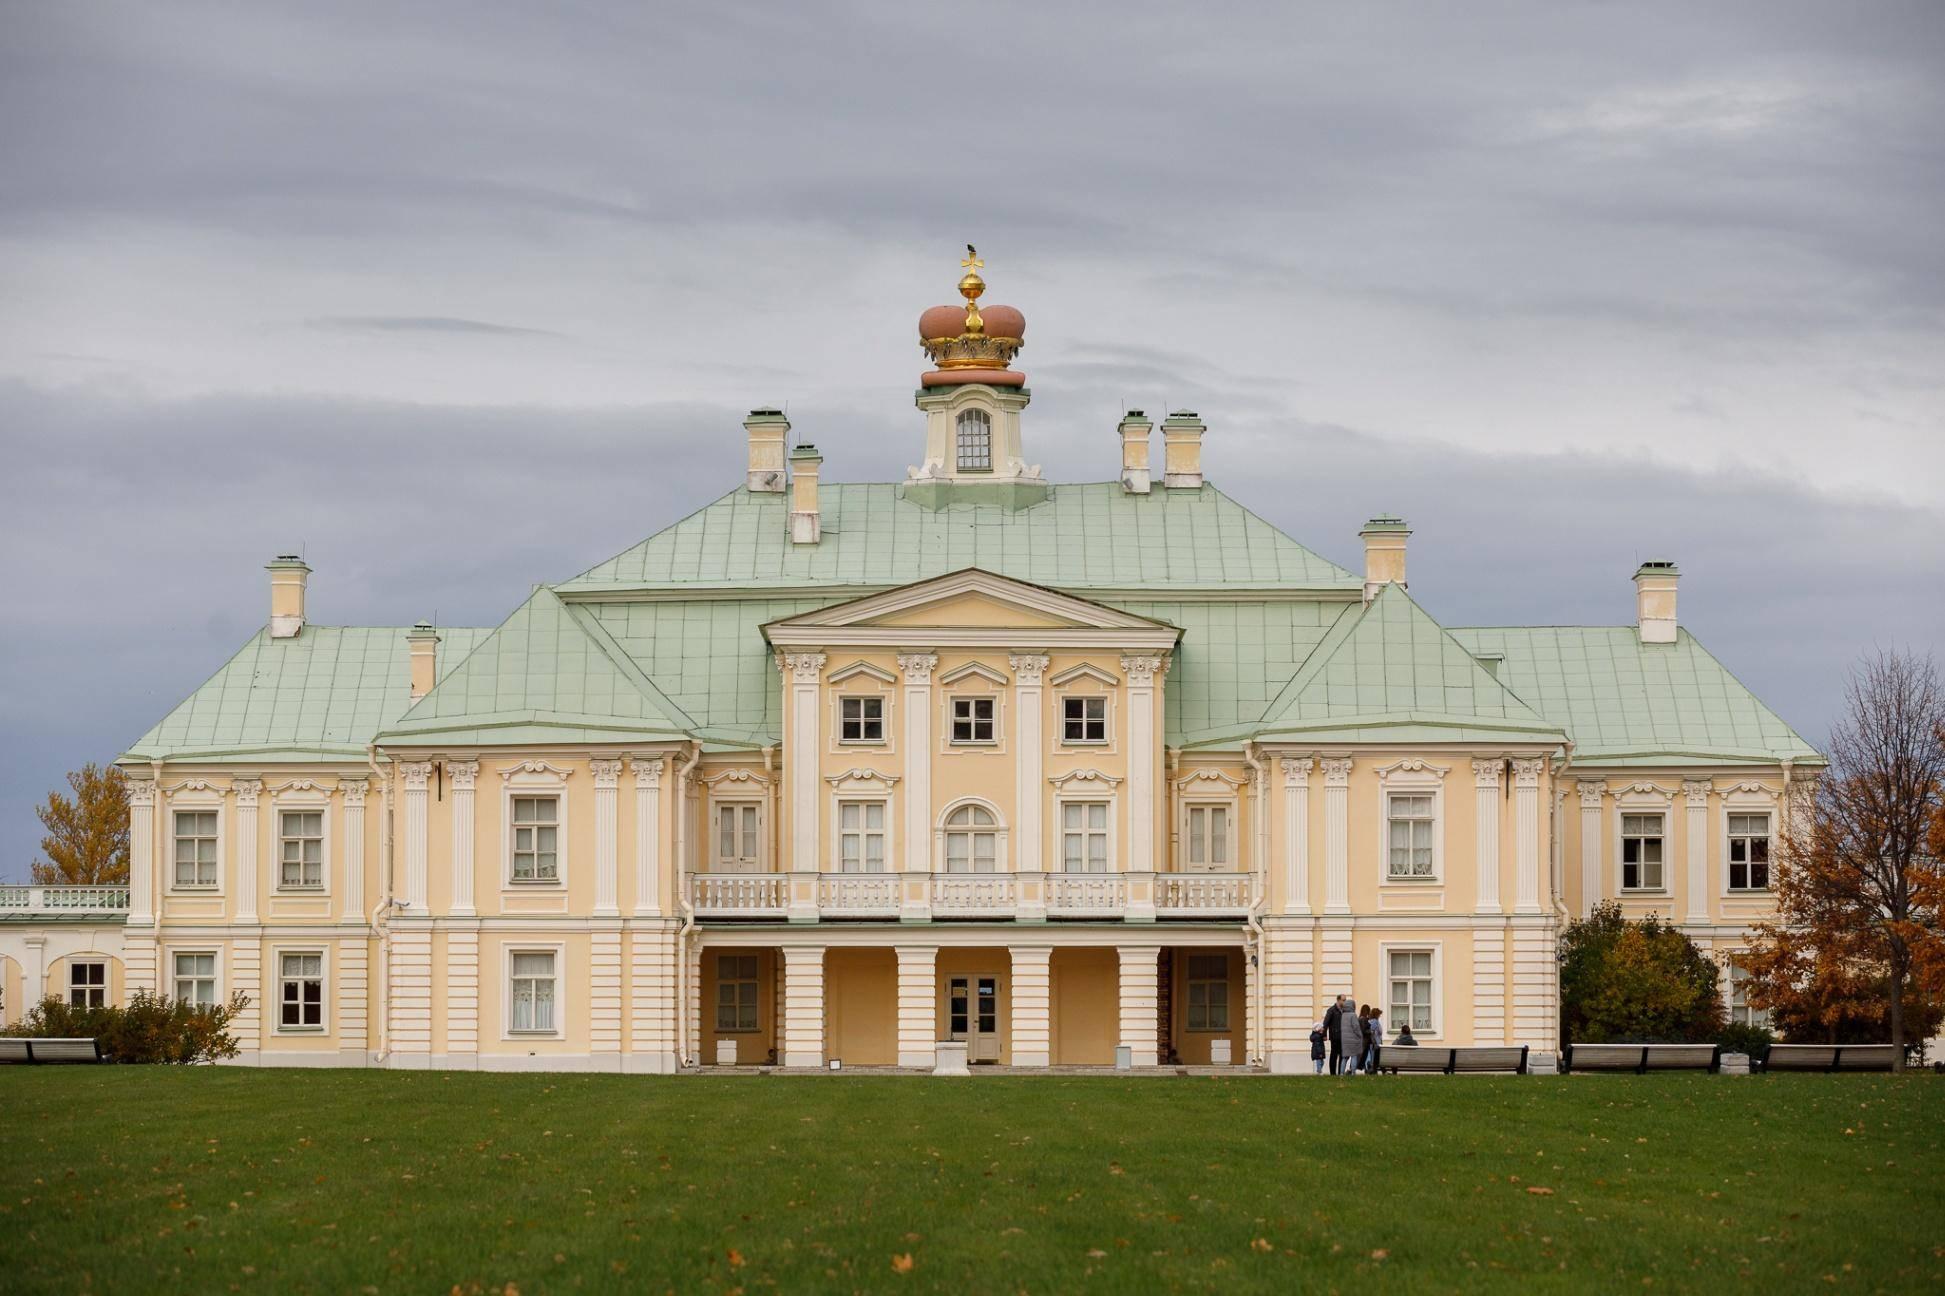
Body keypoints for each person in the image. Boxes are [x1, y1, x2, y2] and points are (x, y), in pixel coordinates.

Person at [1338, 998, 1366, 1075]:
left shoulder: (1343, 1015)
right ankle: (1353, 1072)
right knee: (1354, 1056)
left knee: (1345, 1057)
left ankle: (1341, 1073)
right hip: (1353, 1040)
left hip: (1344, 1040)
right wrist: (1360, 1035)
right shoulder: (1353, 1015)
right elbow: (1356, 1027)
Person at [1322, 997, 1345, 1074]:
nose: (1344, 1002)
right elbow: (1326, 1023)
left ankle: (1340, 1072)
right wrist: (1324, 1035)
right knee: (1334, 1056)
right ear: (1338, 1000)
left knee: (1342, 1055)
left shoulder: (1344, 1010)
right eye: (1343, 1000)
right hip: (1334, 1037)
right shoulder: (1331, 1010)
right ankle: (1332, 1073)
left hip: (1343, 1037)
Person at [1364, 1007, 1383, 1073]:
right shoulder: (1375, 1021)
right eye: (1379, 1014)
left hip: (1371, 1042)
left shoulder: (1369, 1021)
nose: (1380, 1016)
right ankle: (1372, 1070)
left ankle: (1370, 1068)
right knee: (1374, 1058)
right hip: (1375, 1042)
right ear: (1376, 1015)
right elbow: (1376, 1032)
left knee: (1371, 1056)